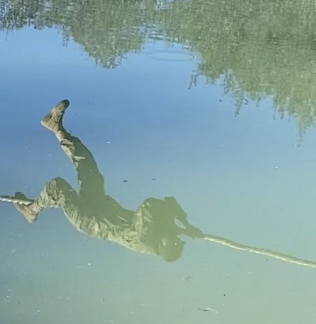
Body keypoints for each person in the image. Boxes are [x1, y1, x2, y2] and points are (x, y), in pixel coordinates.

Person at [13, 100, 199, 262]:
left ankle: (31, 210)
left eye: (174, 239)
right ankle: (56, 127)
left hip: (88, 218)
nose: (175, 235)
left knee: (58, 187)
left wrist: (175, 221)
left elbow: (149, 206)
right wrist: (185, 223)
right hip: (99, 205)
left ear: (163, 244)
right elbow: (169, 203)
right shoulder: (158, 235)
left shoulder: (145, 239)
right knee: (88, 167)